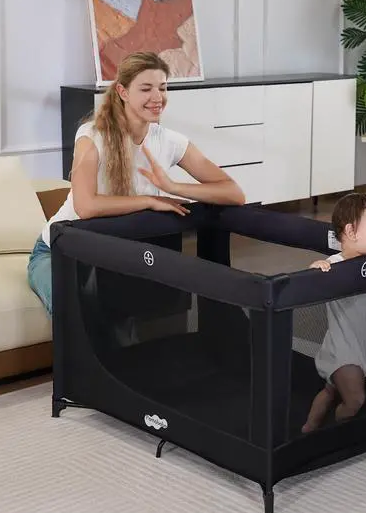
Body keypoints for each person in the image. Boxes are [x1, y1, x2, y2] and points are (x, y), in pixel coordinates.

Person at [28, 51, 245, 317]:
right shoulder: (90, 136)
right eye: (146, 88)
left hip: (113, 251)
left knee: (121, 319)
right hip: (57, 251)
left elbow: (234, 193)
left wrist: (174, 187)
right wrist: (150, 200)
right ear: (123, 92)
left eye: (162, 88)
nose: (157, 97)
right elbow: (85, 206)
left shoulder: (169, 141)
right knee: (75, 310)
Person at [301, 193, 366, 433]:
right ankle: (335, 430)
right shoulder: (335, 265)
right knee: (355, 400)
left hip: (361, 350)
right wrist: (316, 268)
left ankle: (309, 427)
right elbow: (311, 282)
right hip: (342, 351)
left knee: (329, 392)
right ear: (351, 232)